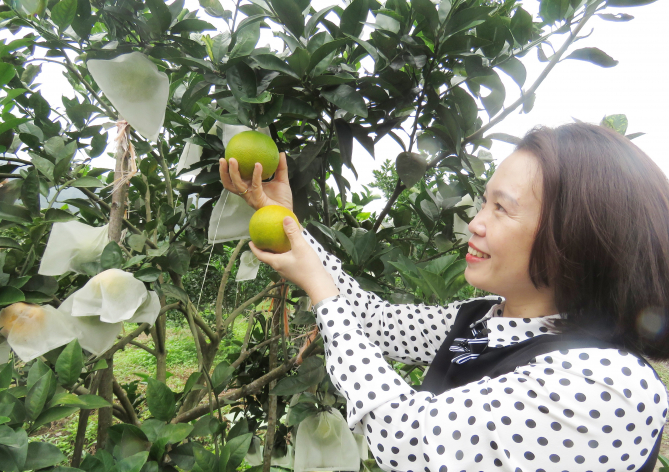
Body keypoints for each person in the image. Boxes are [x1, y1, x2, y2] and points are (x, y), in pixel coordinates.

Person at [219, 123, 669, 471]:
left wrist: (320, 290)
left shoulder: (610, 386)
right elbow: (377, 323)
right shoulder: (485, 322)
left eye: (502, 207)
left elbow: (411, 441)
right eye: (484, 202)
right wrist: (282, 218)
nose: (476, 222)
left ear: (575, 239)